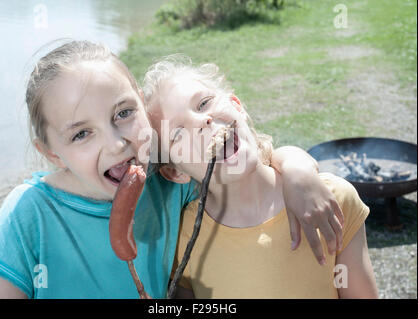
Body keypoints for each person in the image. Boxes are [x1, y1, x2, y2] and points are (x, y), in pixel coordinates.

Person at [0, 41, 342, 299]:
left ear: (141, 104)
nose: (117, 143)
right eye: (82, 133)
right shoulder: (29, 212)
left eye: (123, 113)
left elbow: (245, 155)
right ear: (52, 153)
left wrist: (297, 169)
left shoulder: (167, 178)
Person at [143, 56, 379, 298]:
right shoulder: (183, 238)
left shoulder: (331, 198)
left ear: (237, 106)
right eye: (178, 133)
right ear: (176, 171)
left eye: (204, 103)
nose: (203, 121)